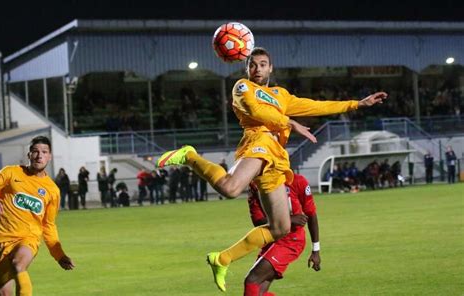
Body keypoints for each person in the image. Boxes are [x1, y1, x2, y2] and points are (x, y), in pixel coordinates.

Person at [156, 47, 387, 291]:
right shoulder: (242, 88)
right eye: (252, 65)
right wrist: (289, 122)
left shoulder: (281, 95)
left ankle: (222, 259)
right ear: (247, 68)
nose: (257, 69)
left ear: (270, 68)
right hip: (259, 142)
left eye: (262, 64)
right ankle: (189, 155)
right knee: (231, 188)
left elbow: (316, 106)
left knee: (281, 227)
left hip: (277, 159)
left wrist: (357, 104)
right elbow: (257, 112)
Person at [0, 136, 75, 295]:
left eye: (44, 152)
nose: (39, 155)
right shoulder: (11, 172)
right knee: (3, 293)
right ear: (29, 155)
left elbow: (48, 225)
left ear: (49, 156)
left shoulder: (52, 190)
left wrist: (59, 254)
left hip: (27, 238)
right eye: (35, 151)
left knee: (18, 264)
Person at [244, 174, 320, 296]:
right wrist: (288, 219)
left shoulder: (296, 181)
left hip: (291, 241)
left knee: (252, 280)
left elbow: (311, 213)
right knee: (258, 291)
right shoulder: (255, 185)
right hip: (271, 240)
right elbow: (258, 221)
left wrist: (316, 250)